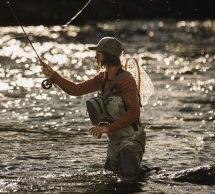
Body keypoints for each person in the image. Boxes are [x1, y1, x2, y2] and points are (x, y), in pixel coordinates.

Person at [41, 37, 146, 179]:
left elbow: (134, 113)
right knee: (111, 178)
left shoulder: (126, 80)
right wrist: (53, 75)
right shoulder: (102, 78)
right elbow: (75, 90)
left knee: (128, 175)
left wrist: (106, 129)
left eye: (98, 53)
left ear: (105, 55)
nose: (95, 56)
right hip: (115, 140)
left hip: (131, 138)